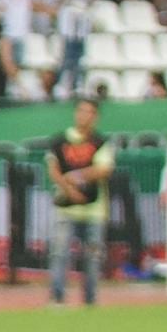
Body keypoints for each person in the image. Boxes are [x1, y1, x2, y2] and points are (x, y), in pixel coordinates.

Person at [44, 98, 112, 305]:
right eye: (81, 111)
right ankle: (57, 298)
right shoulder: (60, 141)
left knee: (92, 258)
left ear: (96, 117)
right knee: (59, 254)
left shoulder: (100, 142)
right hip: (66, 209)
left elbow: (104, 169)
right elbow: (53, 169)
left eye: (89, 112)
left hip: (94, 210)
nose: (84, 116)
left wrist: (78, 176)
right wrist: (69, 189)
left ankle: (90, 299)